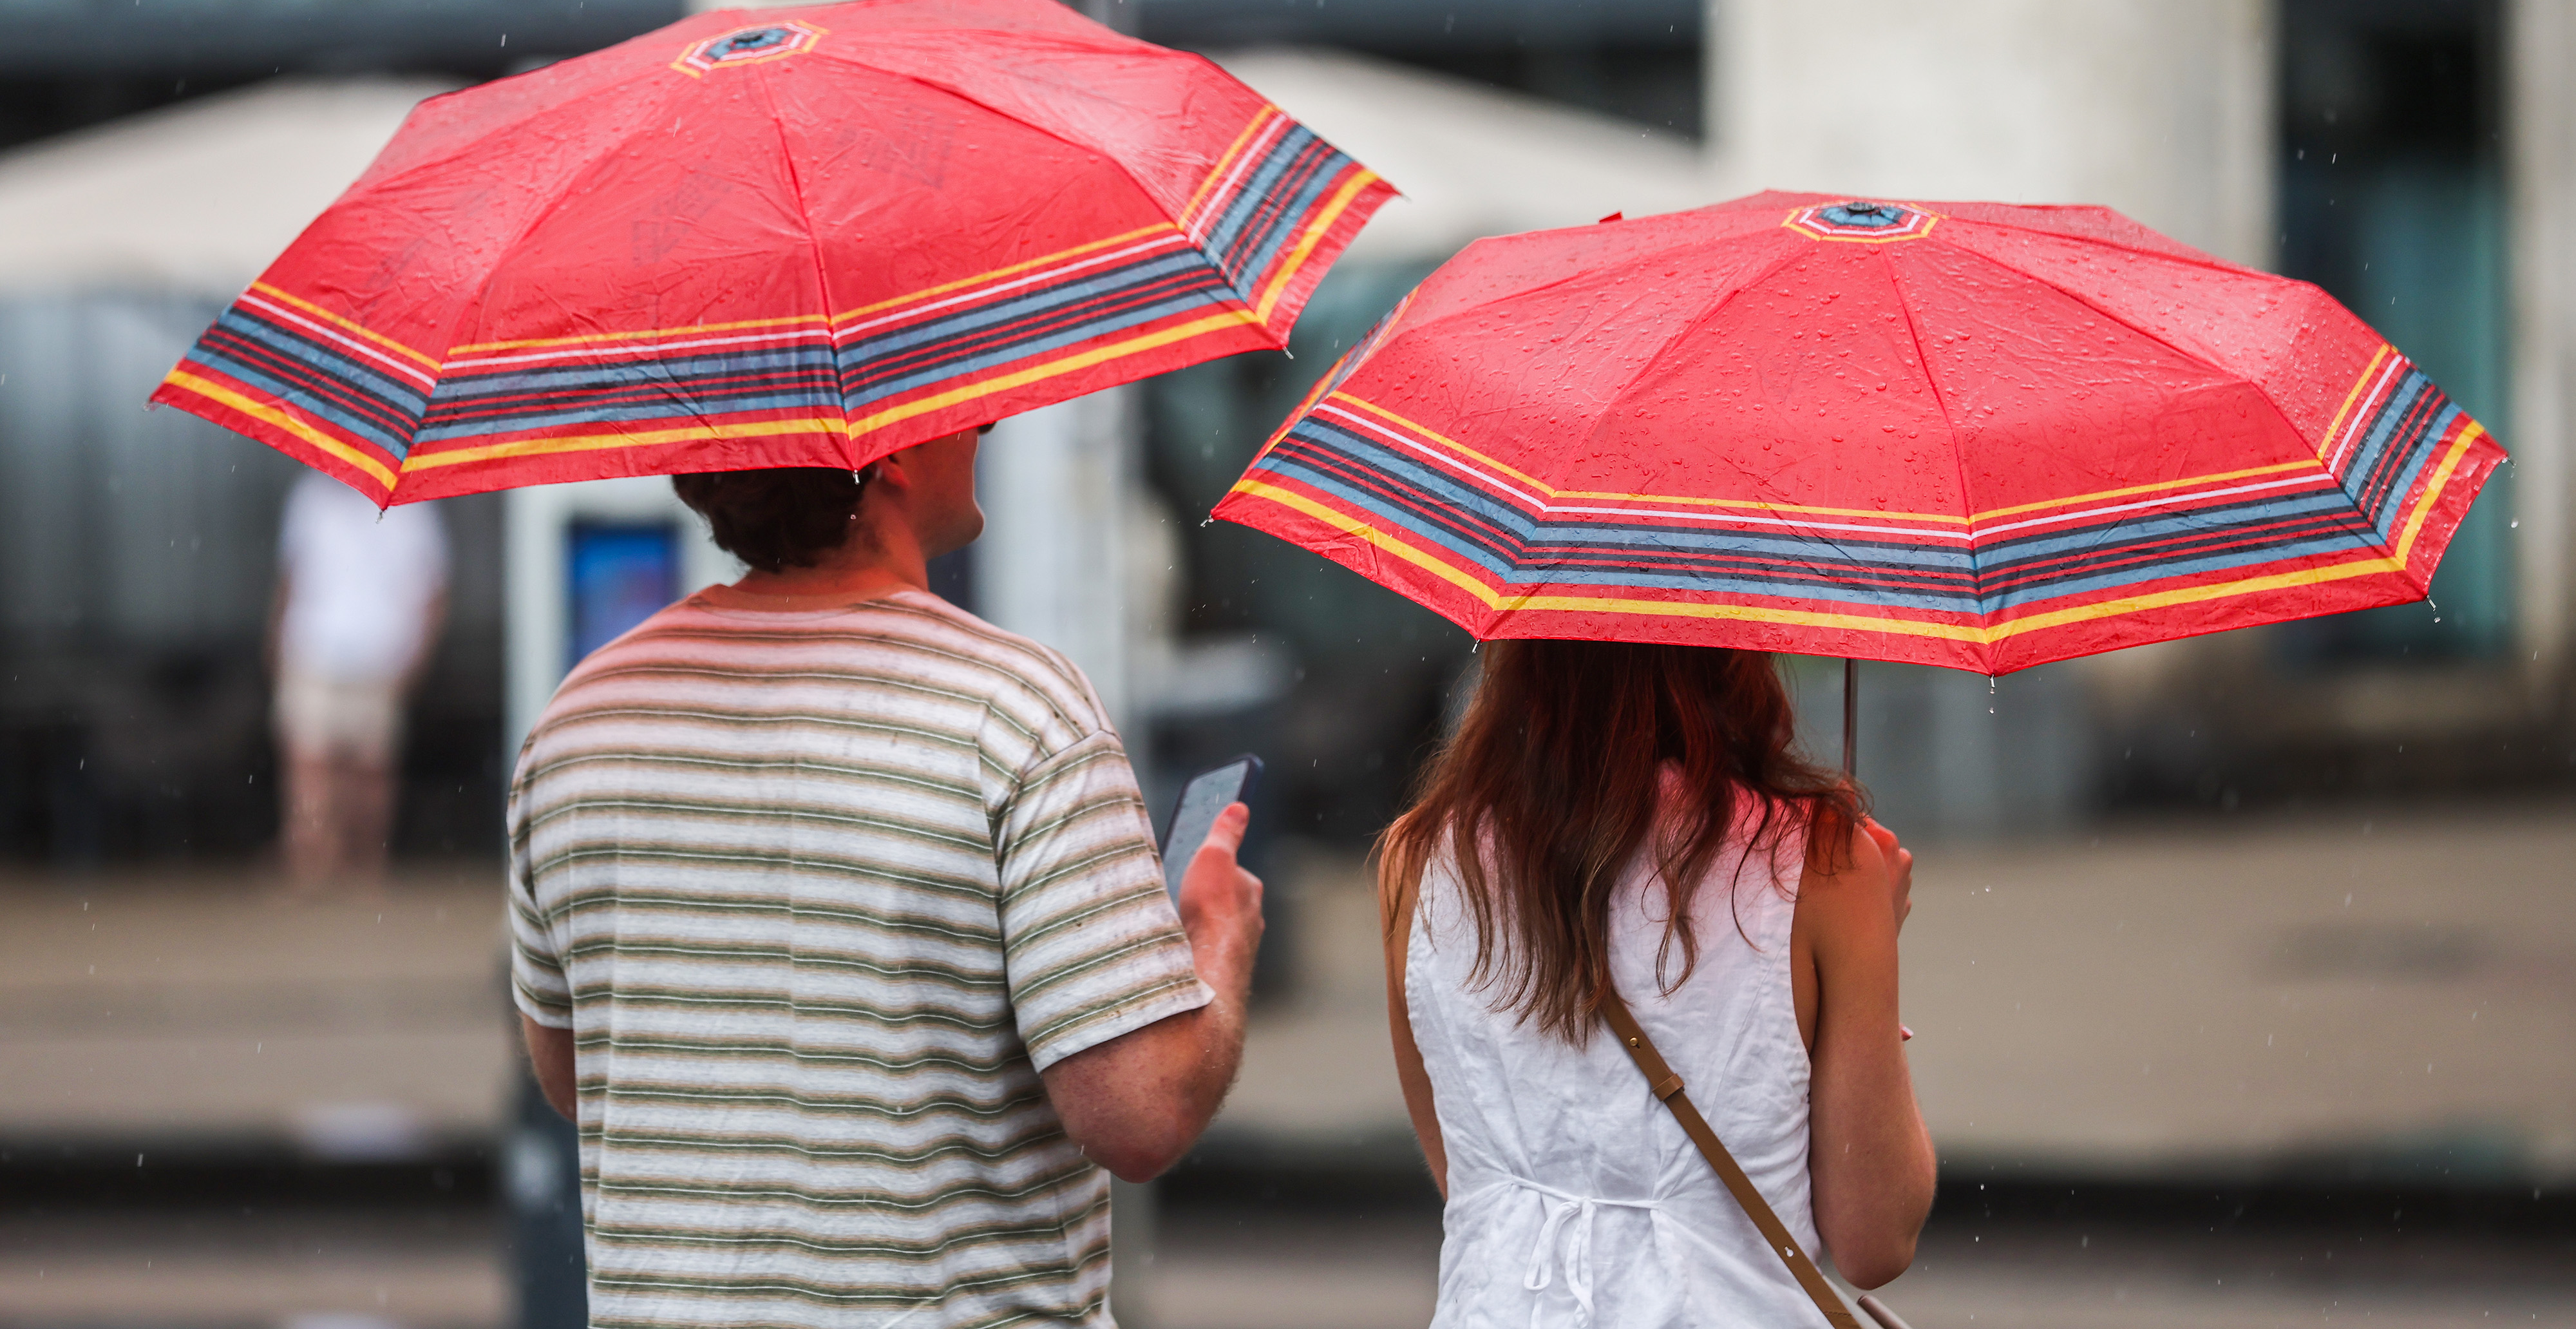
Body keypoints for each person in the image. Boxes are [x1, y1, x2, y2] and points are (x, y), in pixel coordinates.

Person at [506, 428, 1264, 1329]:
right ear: (889, 452)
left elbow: (573, 1071)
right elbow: (1139, 1113)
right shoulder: (1016, 714)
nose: (984, 422)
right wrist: (1215, 942)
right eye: (963, 406)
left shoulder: (580, 721)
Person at [1379, 639, 1935, 1326]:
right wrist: (1865, 967)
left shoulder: (1419, 858)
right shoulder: (1823, 864)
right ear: (1730, 648)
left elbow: (1473, 1178)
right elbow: (1873, 1238)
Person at [269, 468, 450, 890]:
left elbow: (431, 587)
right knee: (310, 760)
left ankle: (363, 863)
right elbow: (293, 576)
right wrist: (277, 634)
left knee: (370, 767)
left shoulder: (413, 503)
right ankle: (313, 856)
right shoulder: (310, 495)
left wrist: (418, 651)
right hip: (313, 645)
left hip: (381, 650)